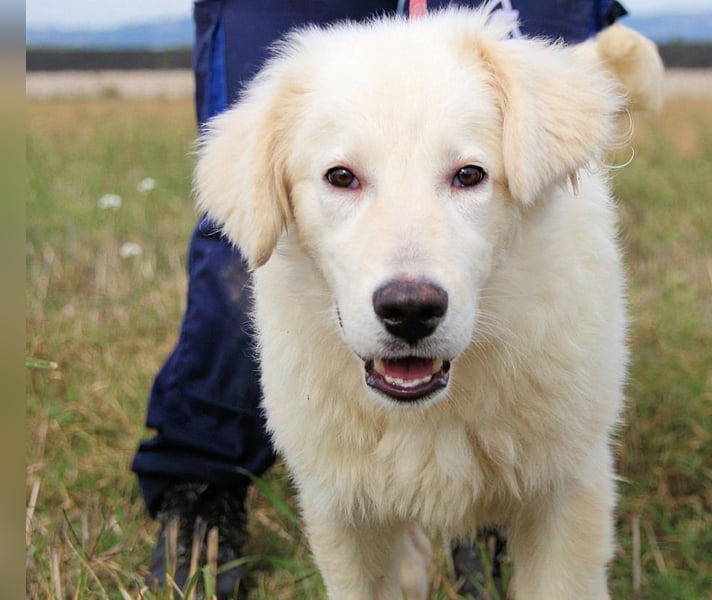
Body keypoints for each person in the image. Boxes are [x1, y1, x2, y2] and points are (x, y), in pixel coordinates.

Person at [131, 1, 629, 597]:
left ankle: (492, 526)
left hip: (537, 338)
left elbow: (570, 486)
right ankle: (202, 489)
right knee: (340, 488)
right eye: (342, 178)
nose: (409, 289)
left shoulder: (533, 133)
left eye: (468, 175)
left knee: (555, 480)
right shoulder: (287, 122)